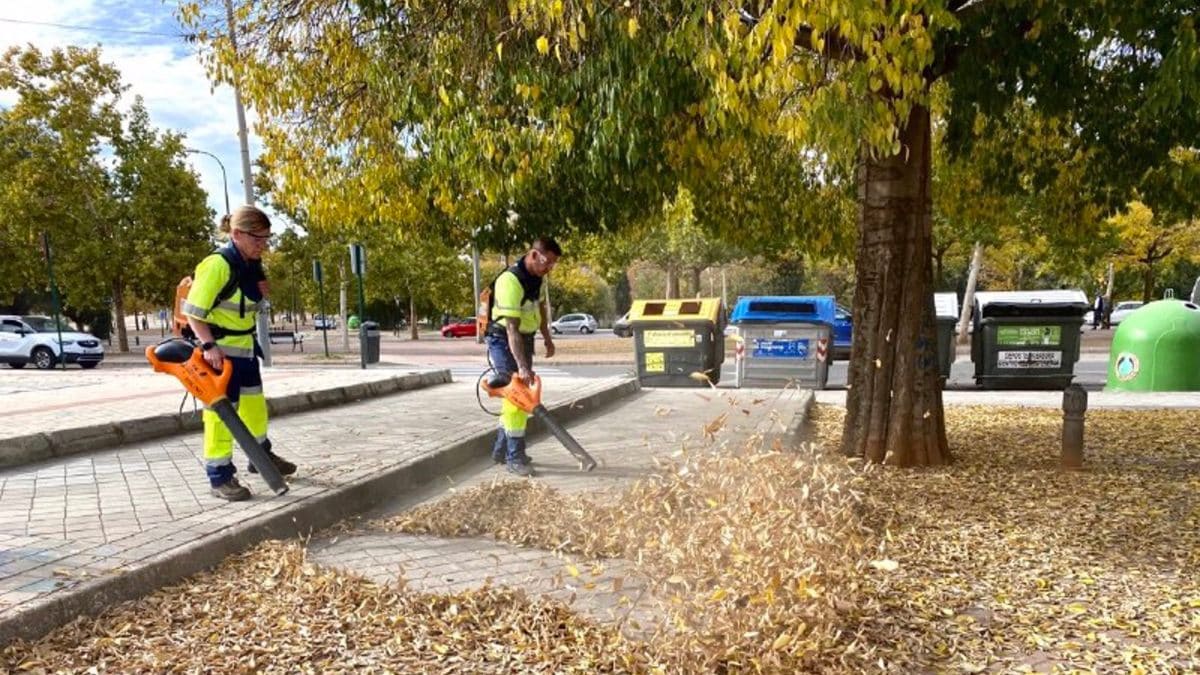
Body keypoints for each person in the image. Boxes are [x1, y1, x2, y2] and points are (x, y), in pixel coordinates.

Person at [181, 205, 297, 500]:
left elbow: (246, 306)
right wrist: (208, 346)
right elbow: (193, 313)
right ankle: (220, 477)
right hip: (220, 355)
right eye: (258, 238)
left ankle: (261, 458)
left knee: (255, 408)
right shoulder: (217, 265)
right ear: (236, 234)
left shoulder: (250, 263)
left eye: (267, 239)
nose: (263, 245)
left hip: (245, 351)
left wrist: (262, 293)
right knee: (220, 415)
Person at [485, 237, 561, 477]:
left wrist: (547, 337)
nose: (549, 268)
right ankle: (514, 457)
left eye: (553, 265)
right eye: (547, 262)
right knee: (518, 396)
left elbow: (539, 309)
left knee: (513, 398)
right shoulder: (511, 280)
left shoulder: (535, 278)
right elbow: (511, 329)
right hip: (503, 339)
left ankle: (500, 450)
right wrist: (522, 366)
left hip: (523, 338)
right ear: (533, 255)